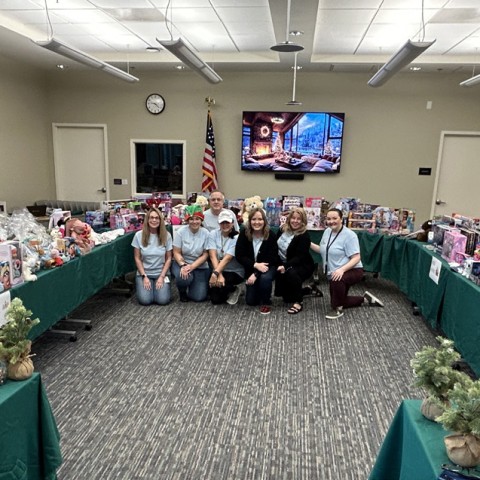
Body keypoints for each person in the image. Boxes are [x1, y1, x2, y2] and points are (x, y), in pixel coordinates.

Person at [310, 207, 383, 320]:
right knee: (338, 299)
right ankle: (365, 299)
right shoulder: (327, 232)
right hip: (335, 271)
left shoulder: (350, 235)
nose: (331, 221)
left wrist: (341, 270)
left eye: (334, 218)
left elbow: (356, 258)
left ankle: (338, 310)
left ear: (341, 219)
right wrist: (308, 243)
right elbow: (323, 250)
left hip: (352, 270)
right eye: (328, 219)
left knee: (336, 285)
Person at [235, 208, 279, 315]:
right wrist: (255, 265)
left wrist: (256, 274)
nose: (257, 222)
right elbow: (239, 255)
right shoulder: (244, 234)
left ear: (264, 221)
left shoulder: (271, 235)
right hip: (252, 267)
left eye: (260, 219)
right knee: (251, 301)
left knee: (265, 278)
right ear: (249, 221)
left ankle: (266, 302)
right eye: (254, 219)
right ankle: (259, 289)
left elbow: (272, 258)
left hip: (268, 266)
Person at [275, 208, 317, 314]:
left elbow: (299, 257)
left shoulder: (304, 235)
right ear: (289, 219)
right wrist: (279, 264)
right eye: (293, 218)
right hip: (285, 262)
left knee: (291, 272)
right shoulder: (282, 229)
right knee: (287, 298)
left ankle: (299, 302)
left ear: (303, 221)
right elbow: (274, 248)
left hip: (302, 265)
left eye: (299, 219)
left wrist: (285, 266)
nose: (295, 221)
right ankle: (309, 289)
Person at [131, 207, 172, 305]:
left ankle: (158, 289)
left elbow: (169, 258)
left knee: (163, 301)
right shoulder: (138, 235)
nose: (154, 220)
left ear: (160, 220)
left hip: (161, 273)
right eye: (151, 218)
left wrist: (162, 277)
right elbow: (137, 258)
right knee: (145, 301)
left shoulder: (167, 235)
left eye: (157, 218)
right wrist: (144, 276)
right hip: (144, 273)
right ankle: (148, 287)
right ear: (147, 220)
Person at [172, 204, 210, 302]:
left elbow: (206, 254)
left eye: (197, 219)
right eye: (191, 219)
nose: (194, 222)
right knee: (183, 278)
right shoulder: (181, 232)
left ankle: (194, 283)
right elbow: (176, 252)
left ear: (201, 220)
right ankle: (182, 291)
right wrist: (183, 265)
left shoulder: (206, 233)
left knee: (199, 297)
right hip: (182, 263)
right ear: (187, 220)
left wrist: (192, 266)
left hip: (199, 265)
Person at [207, 210, 244, 305]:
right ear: (218, 223)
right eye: (222, 222)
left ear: (232, 223)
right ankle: (228, 289)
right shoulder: (213, 234)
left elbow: (227, 258)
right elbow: (212, 255)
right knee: (215, 300)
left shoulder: (237, 237)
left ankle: (235, 288)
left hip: (234, 271)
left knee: (220, 290)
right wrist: (218, 274)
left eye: (227, 222)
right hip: (219, 269)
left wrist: (215, 274)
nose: (225, 225)